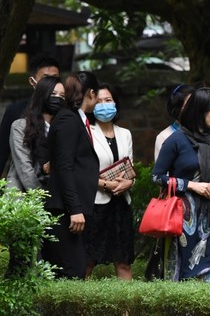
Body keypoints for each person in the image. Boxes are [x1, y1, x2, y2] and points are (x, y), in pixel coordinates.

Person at [152, 87, 210, 282]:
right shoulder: (175, 140)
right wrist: (192, 185)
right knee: (183, 274)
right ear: (202, 111)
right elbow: (157, 177)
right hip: (182, 219)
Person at [43, 71, 100, 279]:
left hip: (72, 210)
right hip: (64, 210)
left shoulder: (75, 119)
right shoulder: (69, 119)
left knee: (73, 272)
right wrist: (75, 209)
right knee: (71, 273)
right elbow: (64, 167)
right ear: (91, 93)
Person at [85, 85, 134, 280]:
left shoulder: (126, 134)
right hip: (96, 205)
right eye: (98, 101)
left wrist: (128, 184)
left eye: (108, 100)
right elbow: (82, 172)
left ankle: (127, 310)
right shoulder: (87, 132)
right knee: (88, 262)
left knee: (123, 262)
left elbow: (130, 170)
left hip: (121, 205)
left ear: (116, 103)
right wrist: (105, 185)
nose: (104, 105)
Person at [1, 54, 60, 176]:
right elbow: (2, 152)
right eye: (45, 78)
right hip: (25, 184)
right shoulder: (16, 111)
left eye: (55, 78)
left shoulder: (65, 110)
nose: (51, 84)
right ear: (32, 81)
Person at [7, 76, 64, 191]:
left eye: (62, 96)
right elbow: (24, 168)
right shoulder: (20, 126)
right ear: (42, 95)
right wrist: (41, 199)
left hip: (53, 196)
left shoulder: (62, 128)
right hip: (23, 198)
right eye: (53, 94)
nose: (57, 99)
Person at [154, 84, 195, 161]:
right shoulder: (164, 137)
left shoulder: (202, 132)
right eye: (187, 106)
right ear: (177, 108)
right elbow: (160, 172)